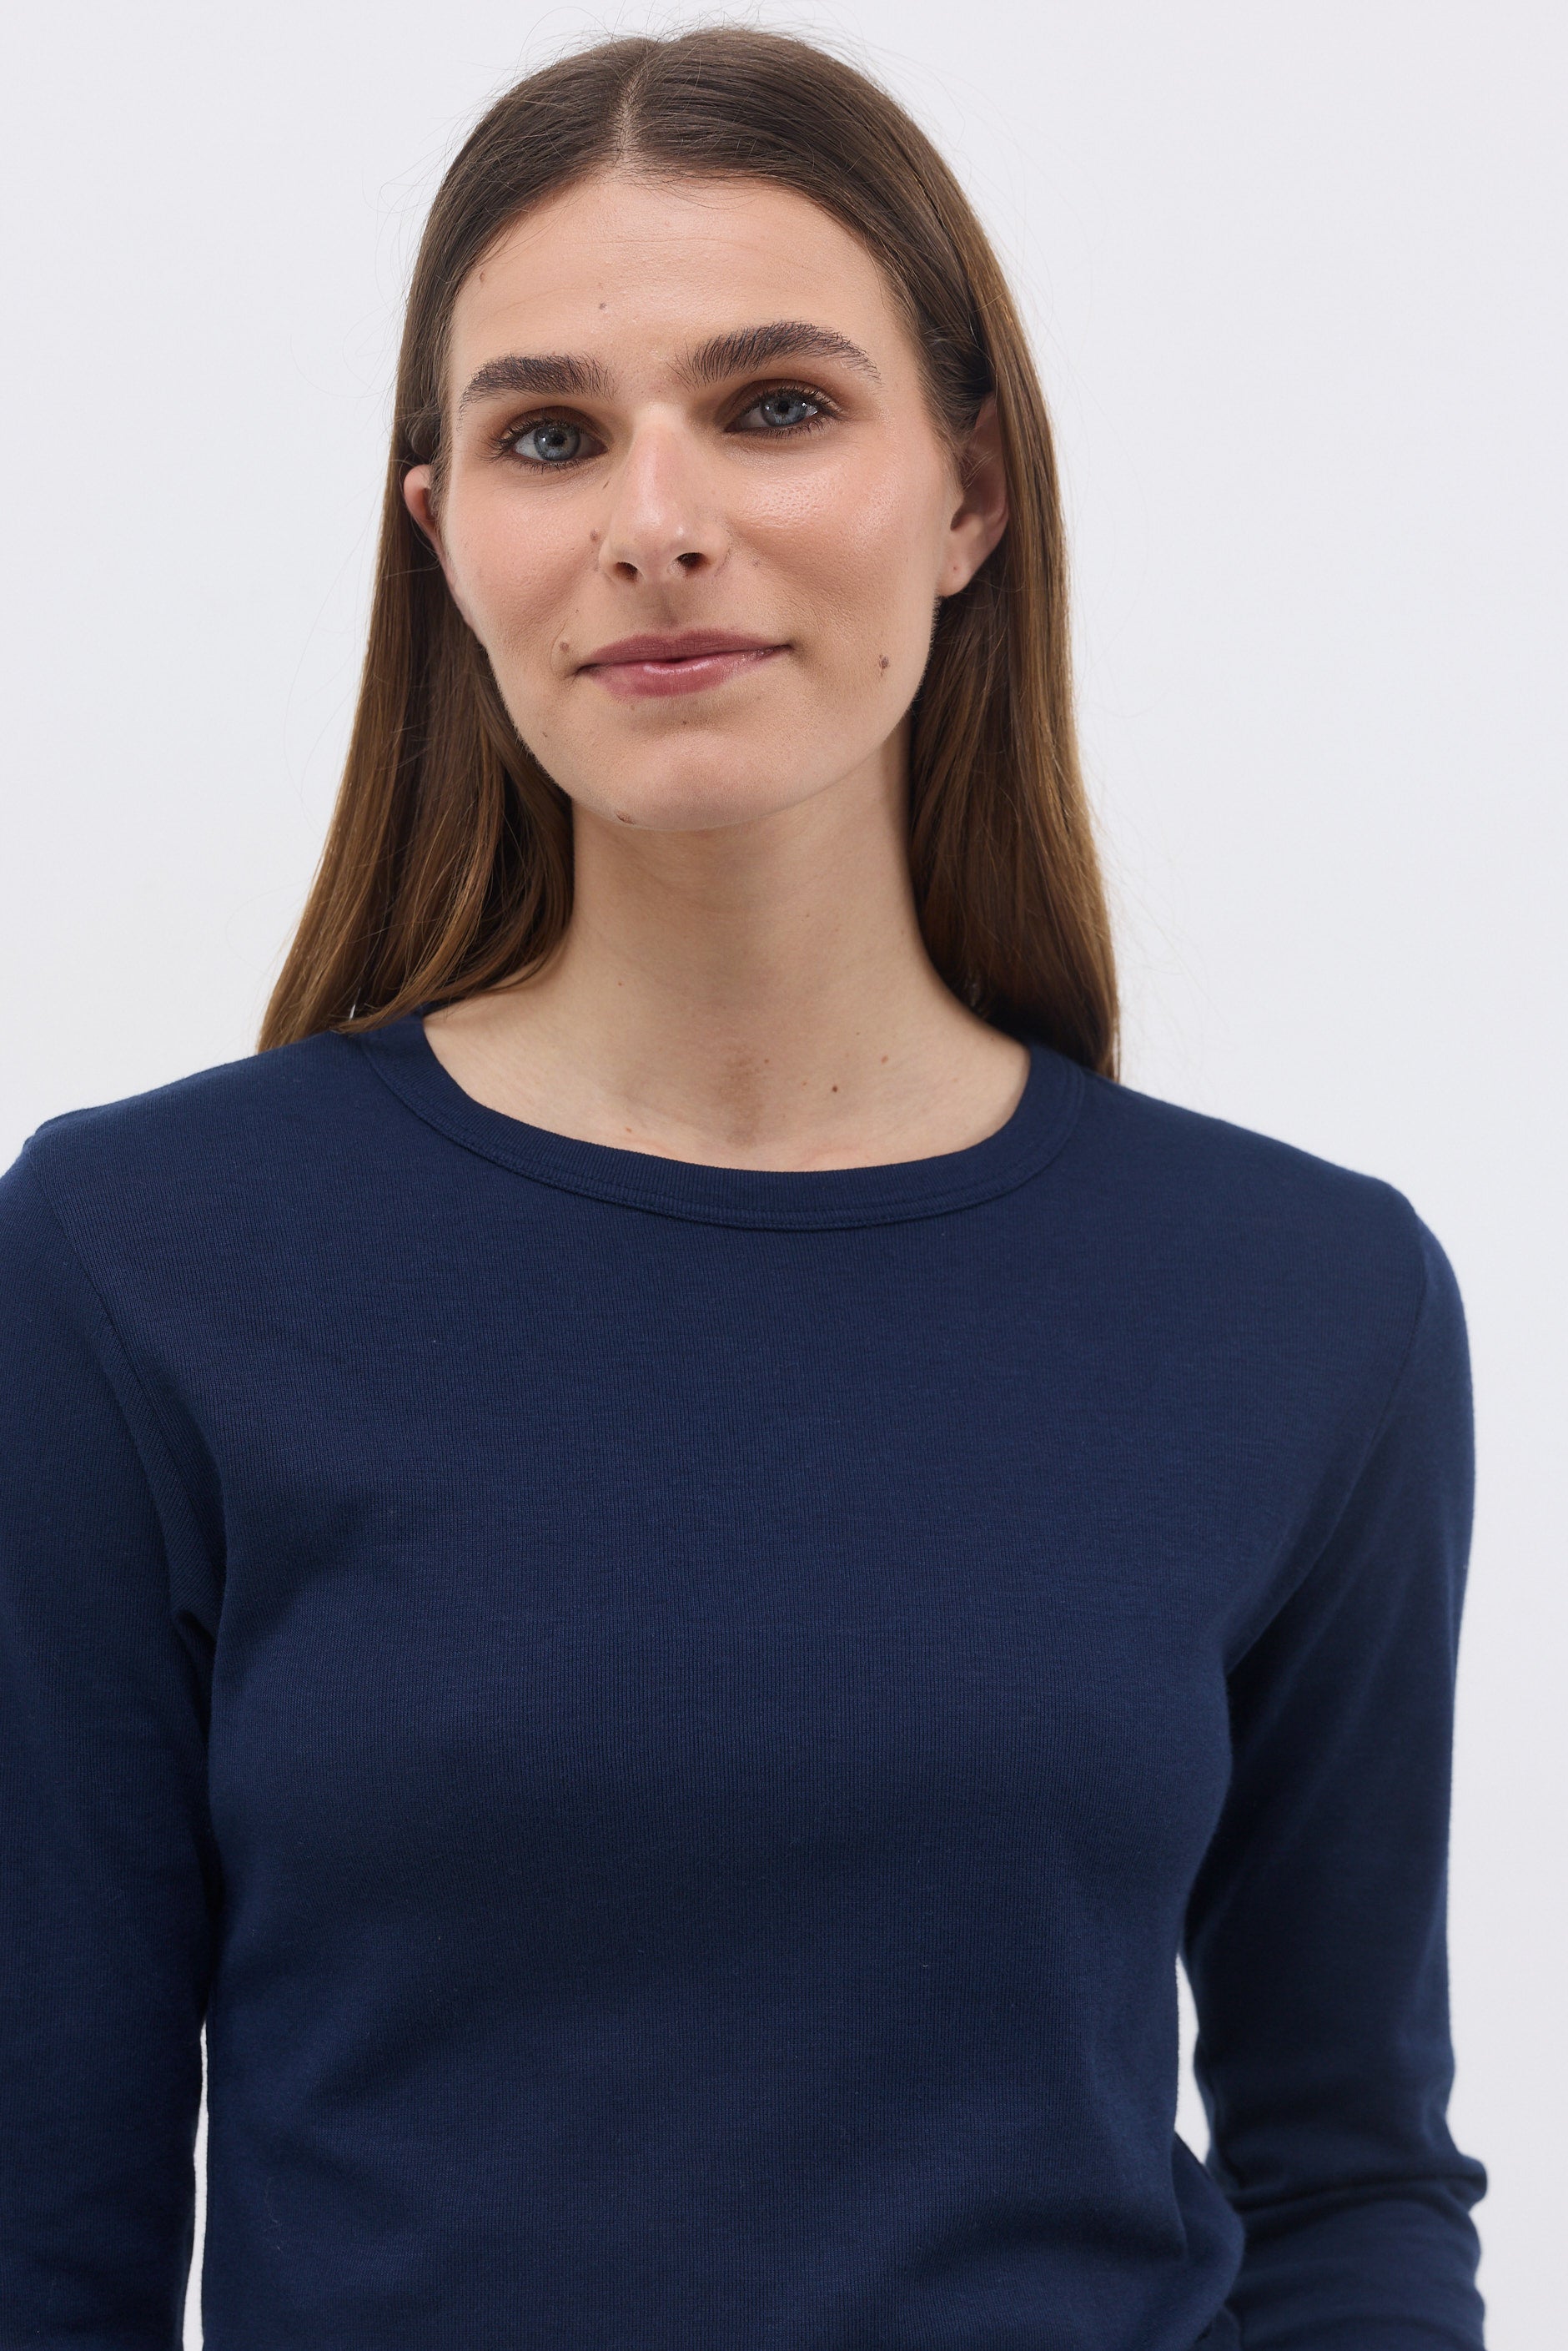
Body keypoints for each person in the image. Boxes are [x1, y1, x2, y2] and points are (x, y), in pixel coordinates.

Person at [0, 27, 1487, 2350]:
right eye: (550, 434)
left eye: (775, 405)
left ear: (969, 495)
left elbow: (1354, 2177)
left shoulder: (1310, 1300)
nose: (655, 520)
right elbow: (43, 2227)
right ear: (442, 537)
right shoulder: (139, 1263)